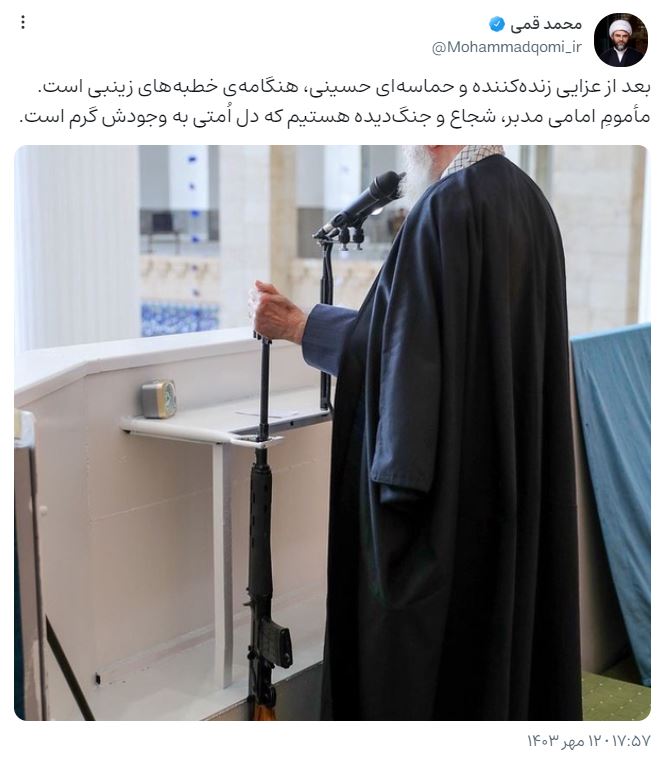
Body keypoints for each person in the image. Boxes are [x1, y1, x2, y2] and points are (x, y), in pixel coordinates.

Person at [250, 145, 583, 720]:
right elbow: (419, 344)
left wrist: (300, 327)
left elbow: (398, 364)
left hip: (453, 513)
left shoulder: (441, 210)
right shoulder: (531, 201)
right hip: (506, 486)